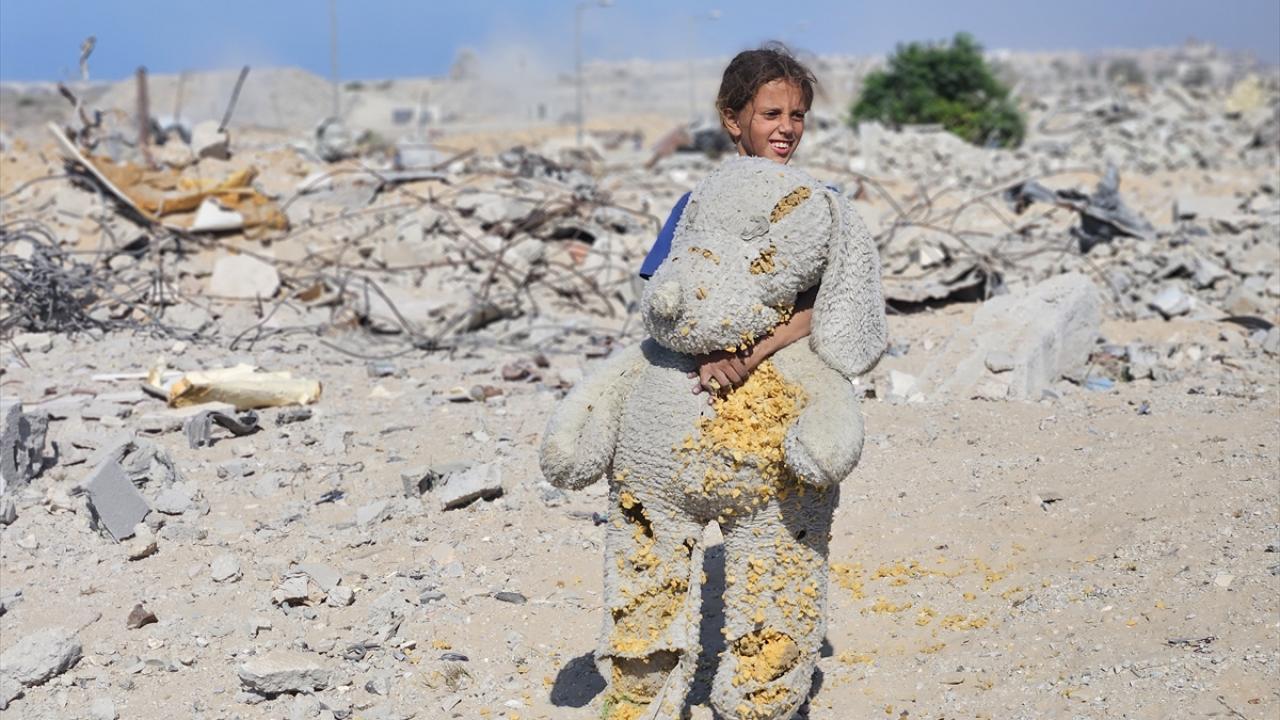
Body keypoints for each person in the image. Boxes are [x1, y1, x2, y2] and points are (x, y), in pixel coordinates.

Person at [639, 43, 819, 403]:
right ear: (733, 120)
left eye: (797, 115)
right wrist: (705, 351)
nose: (787, 128)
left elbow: (831, 300)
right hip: (704, 379)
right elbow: (664, 297)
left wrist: (747, 355)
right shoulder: (697, 206)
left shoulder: (812, 206)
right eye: (771, 114)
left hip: (790, 374)